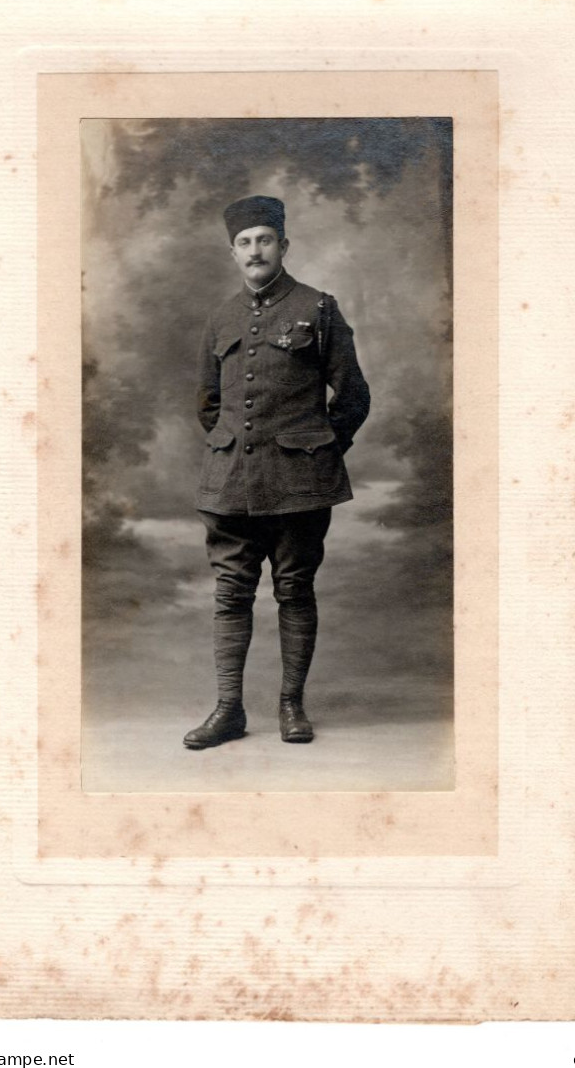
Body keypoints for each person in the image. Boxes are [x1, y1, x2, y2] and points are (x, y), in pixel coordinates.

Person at [184, 194, 370, 750]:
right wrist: (229, 447)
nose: (255, 250)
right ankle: (228, 710)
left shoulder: (318, 307)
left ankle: (291, 705)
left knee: (294, 588)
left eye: (265, 239)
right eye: (244, 242)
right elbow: (208, 402)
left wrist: (318, 447)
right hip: (230, 483)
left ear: (283, 246)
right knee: (231, 593)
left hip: (299, 484)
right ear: (233, 253)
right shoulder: (221, 317)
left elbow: (354, 395)